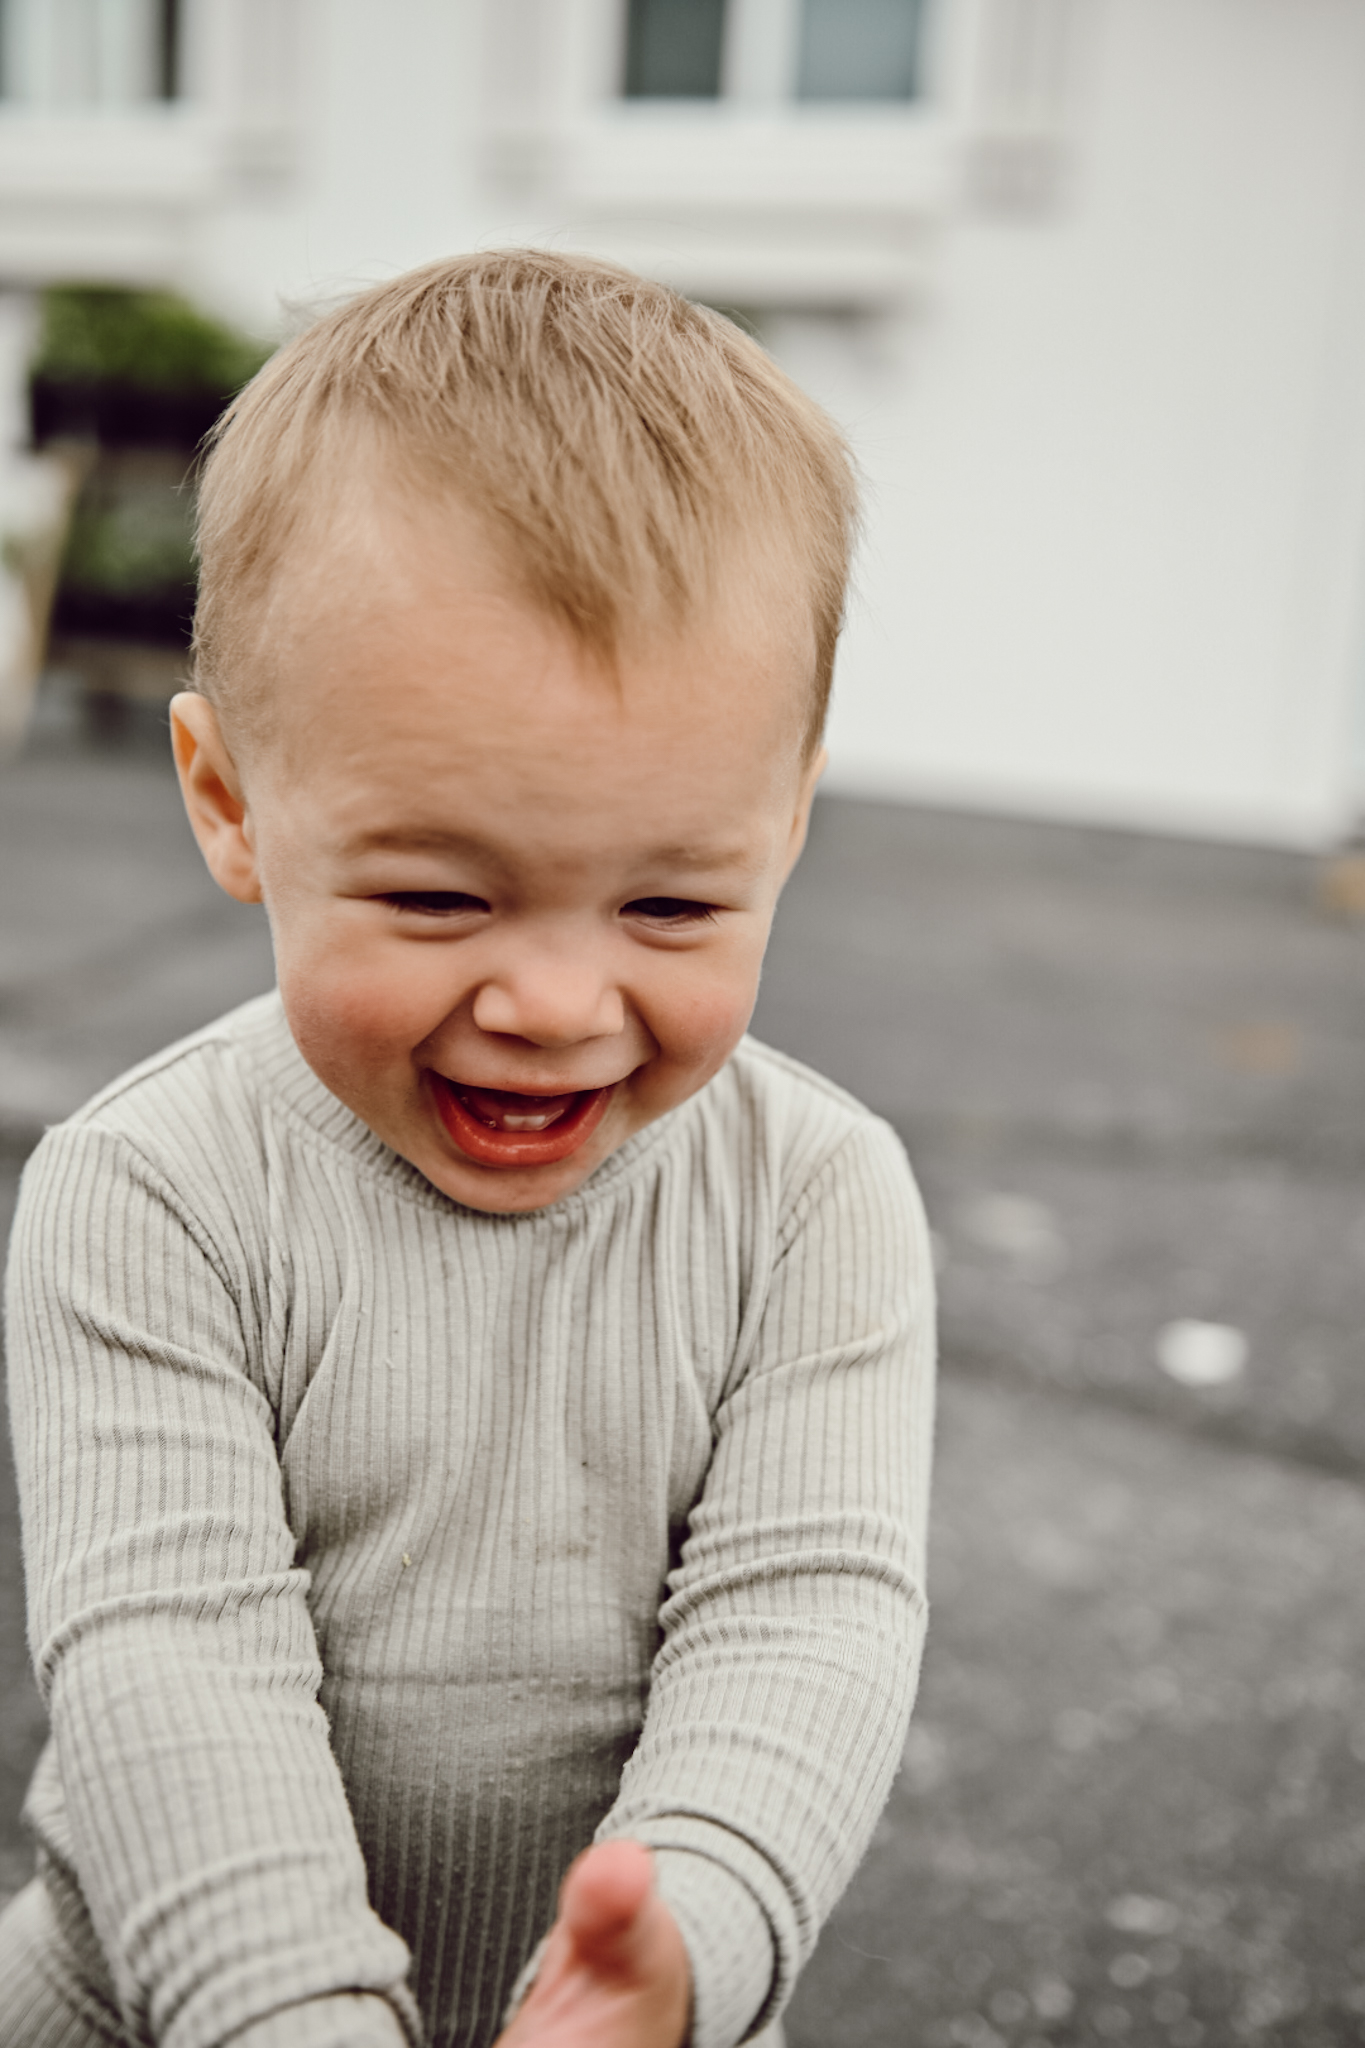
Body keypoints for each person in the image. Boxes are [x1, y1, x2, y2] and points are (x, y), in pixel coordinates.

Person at [1, 251, 936, 2048]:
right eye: (439, 896)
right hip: (148, 2004)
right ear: (231, 805)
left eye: (672, 901)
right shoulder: (152, 1191)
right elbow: (167, 1656)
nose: (554, 1000)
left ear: (789, 817)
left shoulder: (814, 1199)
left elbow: (806, 1616)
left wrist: (684, 1942)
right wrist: (286, 2010)